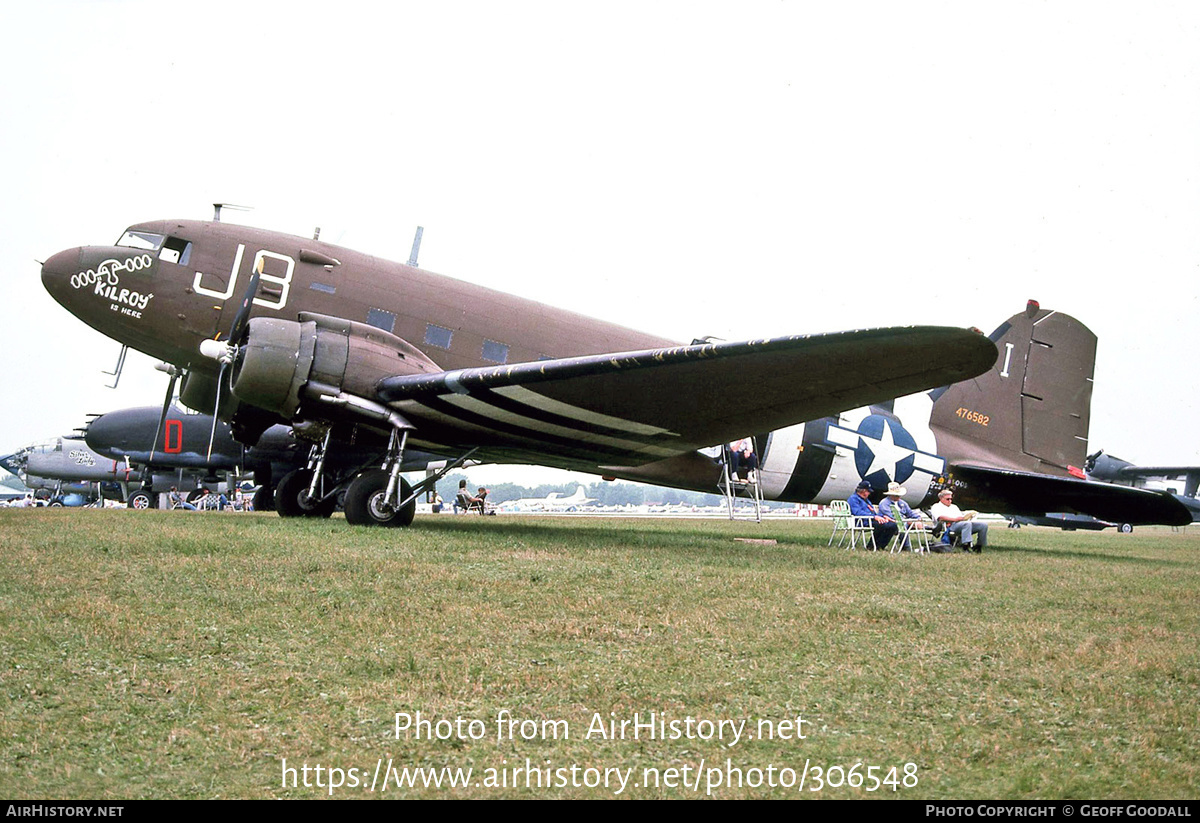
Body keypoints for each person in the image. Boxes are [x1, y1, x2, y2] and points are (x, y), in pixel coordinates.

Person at [879, 482, 938, 552]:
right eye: (896, 495)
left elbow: (910, 513)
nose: (898, 497)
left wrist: (917, 517)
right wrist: (907, 520)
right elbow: (891, 516)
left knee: (910, 523)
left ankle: (930, 529)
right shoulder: (884, 503)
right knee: (906, 523)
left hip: (904, 522)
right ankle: (930, 529)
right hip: (890, 523)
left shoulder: (902, 503)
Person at [847, 480, 898, 550]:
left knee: (892, 525)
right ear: (863, 491)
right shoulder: (853, 499)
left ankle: (881, 546)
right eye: (868, 491)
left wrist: (883, 517)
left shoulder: (866, 500)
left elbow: (873, 512)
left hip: (871, 520)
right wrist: (874, 517)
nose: (869, 493)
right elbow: (857, 512)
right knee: (882, 525)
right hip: (861, 521)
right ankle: (871, 546)